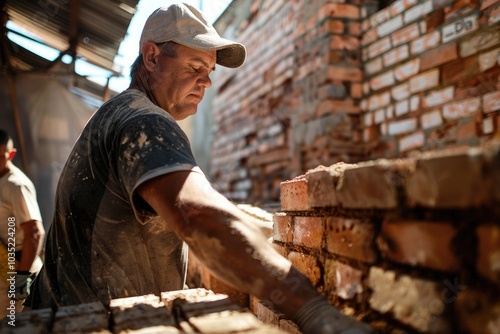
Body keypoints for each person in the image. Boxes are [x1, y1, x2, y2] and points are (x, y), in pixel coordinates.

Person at [27, 3, 372, 333]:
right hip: (91, 323)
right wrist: (312, 309)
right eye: (194, 67)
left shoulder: (117, 112)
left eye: (209, 72)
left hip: (62, 313)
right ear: (151, 57)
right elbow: (201, 215)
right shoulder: (145, 122)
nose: (205, 82)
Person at [0, 129, 45, 317]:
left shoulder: (16, 185)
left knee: (13, 325)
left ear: (11, 155)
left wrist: (21, 278)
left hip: (17, 270)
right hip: (4, 268)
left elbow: (35, 232)